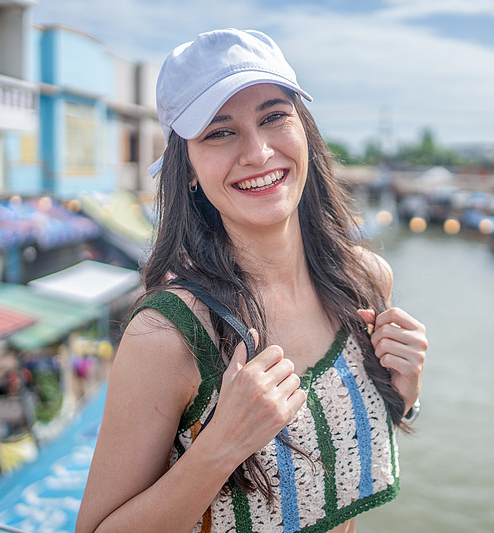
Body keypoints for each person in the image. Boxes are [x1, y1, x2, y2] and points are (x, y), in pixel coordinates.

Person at [76, 28, 427, 533]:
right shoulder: (168, 335)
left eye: (273, 117)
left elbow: (340, 460)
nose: (259, 152)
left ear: (304, 130)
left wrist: (406, 394)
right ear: (189, 168)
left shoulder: (365, 281)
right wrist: (221, 447)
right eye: (220, 132)